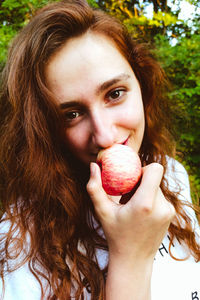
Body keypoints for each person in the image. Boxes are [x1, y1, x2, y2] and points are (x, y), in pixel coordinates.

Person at [0, 0, 199, 299]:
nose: (105, 136)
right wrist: (130, 258)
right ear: (44, 129)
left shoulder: (171, 175)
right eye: (71, 114)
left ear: (141, 84)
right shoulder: (16, 246)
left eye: (115, 94)